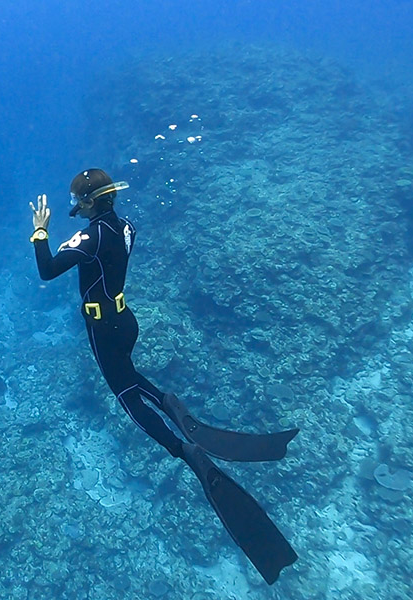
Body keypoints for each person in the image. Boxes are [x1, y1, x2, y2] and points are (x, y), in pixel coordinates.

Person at [29, 168, 298, 585]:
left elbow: (48, 270)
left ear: (87, 203)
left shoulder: (90, 237)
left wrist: (40, 233)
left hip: (102, 328)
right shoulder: (126, 227)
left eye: (77, 201)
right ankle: (173, 405)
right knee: (133, 376)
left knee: (125, 395)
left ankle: (182, 449)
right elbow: (104, 253)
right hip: (125, 320)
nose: (74, 207)